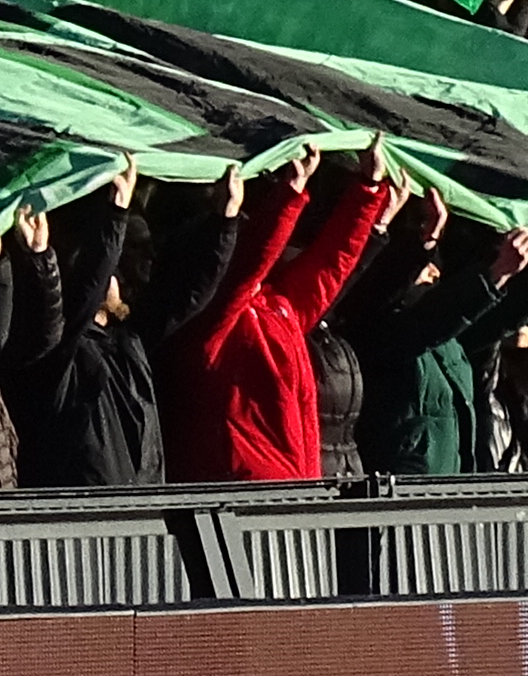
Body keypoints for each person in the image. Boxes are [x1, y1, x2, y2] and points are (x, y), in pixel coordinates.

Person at [164, 150, 393, 483]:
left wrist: (367, 190)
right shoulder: (212, 324)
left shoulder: (279, 308)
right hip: (247, 506)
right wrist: (290, 194)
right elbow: (250, 261)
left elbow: (331, 264)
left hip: (294, 501)